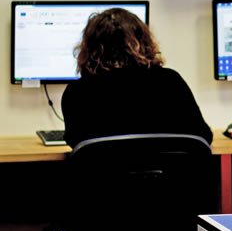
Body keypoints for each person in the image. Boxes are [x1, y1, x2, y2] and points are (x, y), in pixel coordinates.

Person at [62, 8, 212, 148]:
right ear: (144, 42)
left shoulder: (77, 92)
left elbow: (75, 142)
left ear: (89, 48)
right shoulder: (171, 81)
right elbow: (203, 136)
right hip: (166, 168)